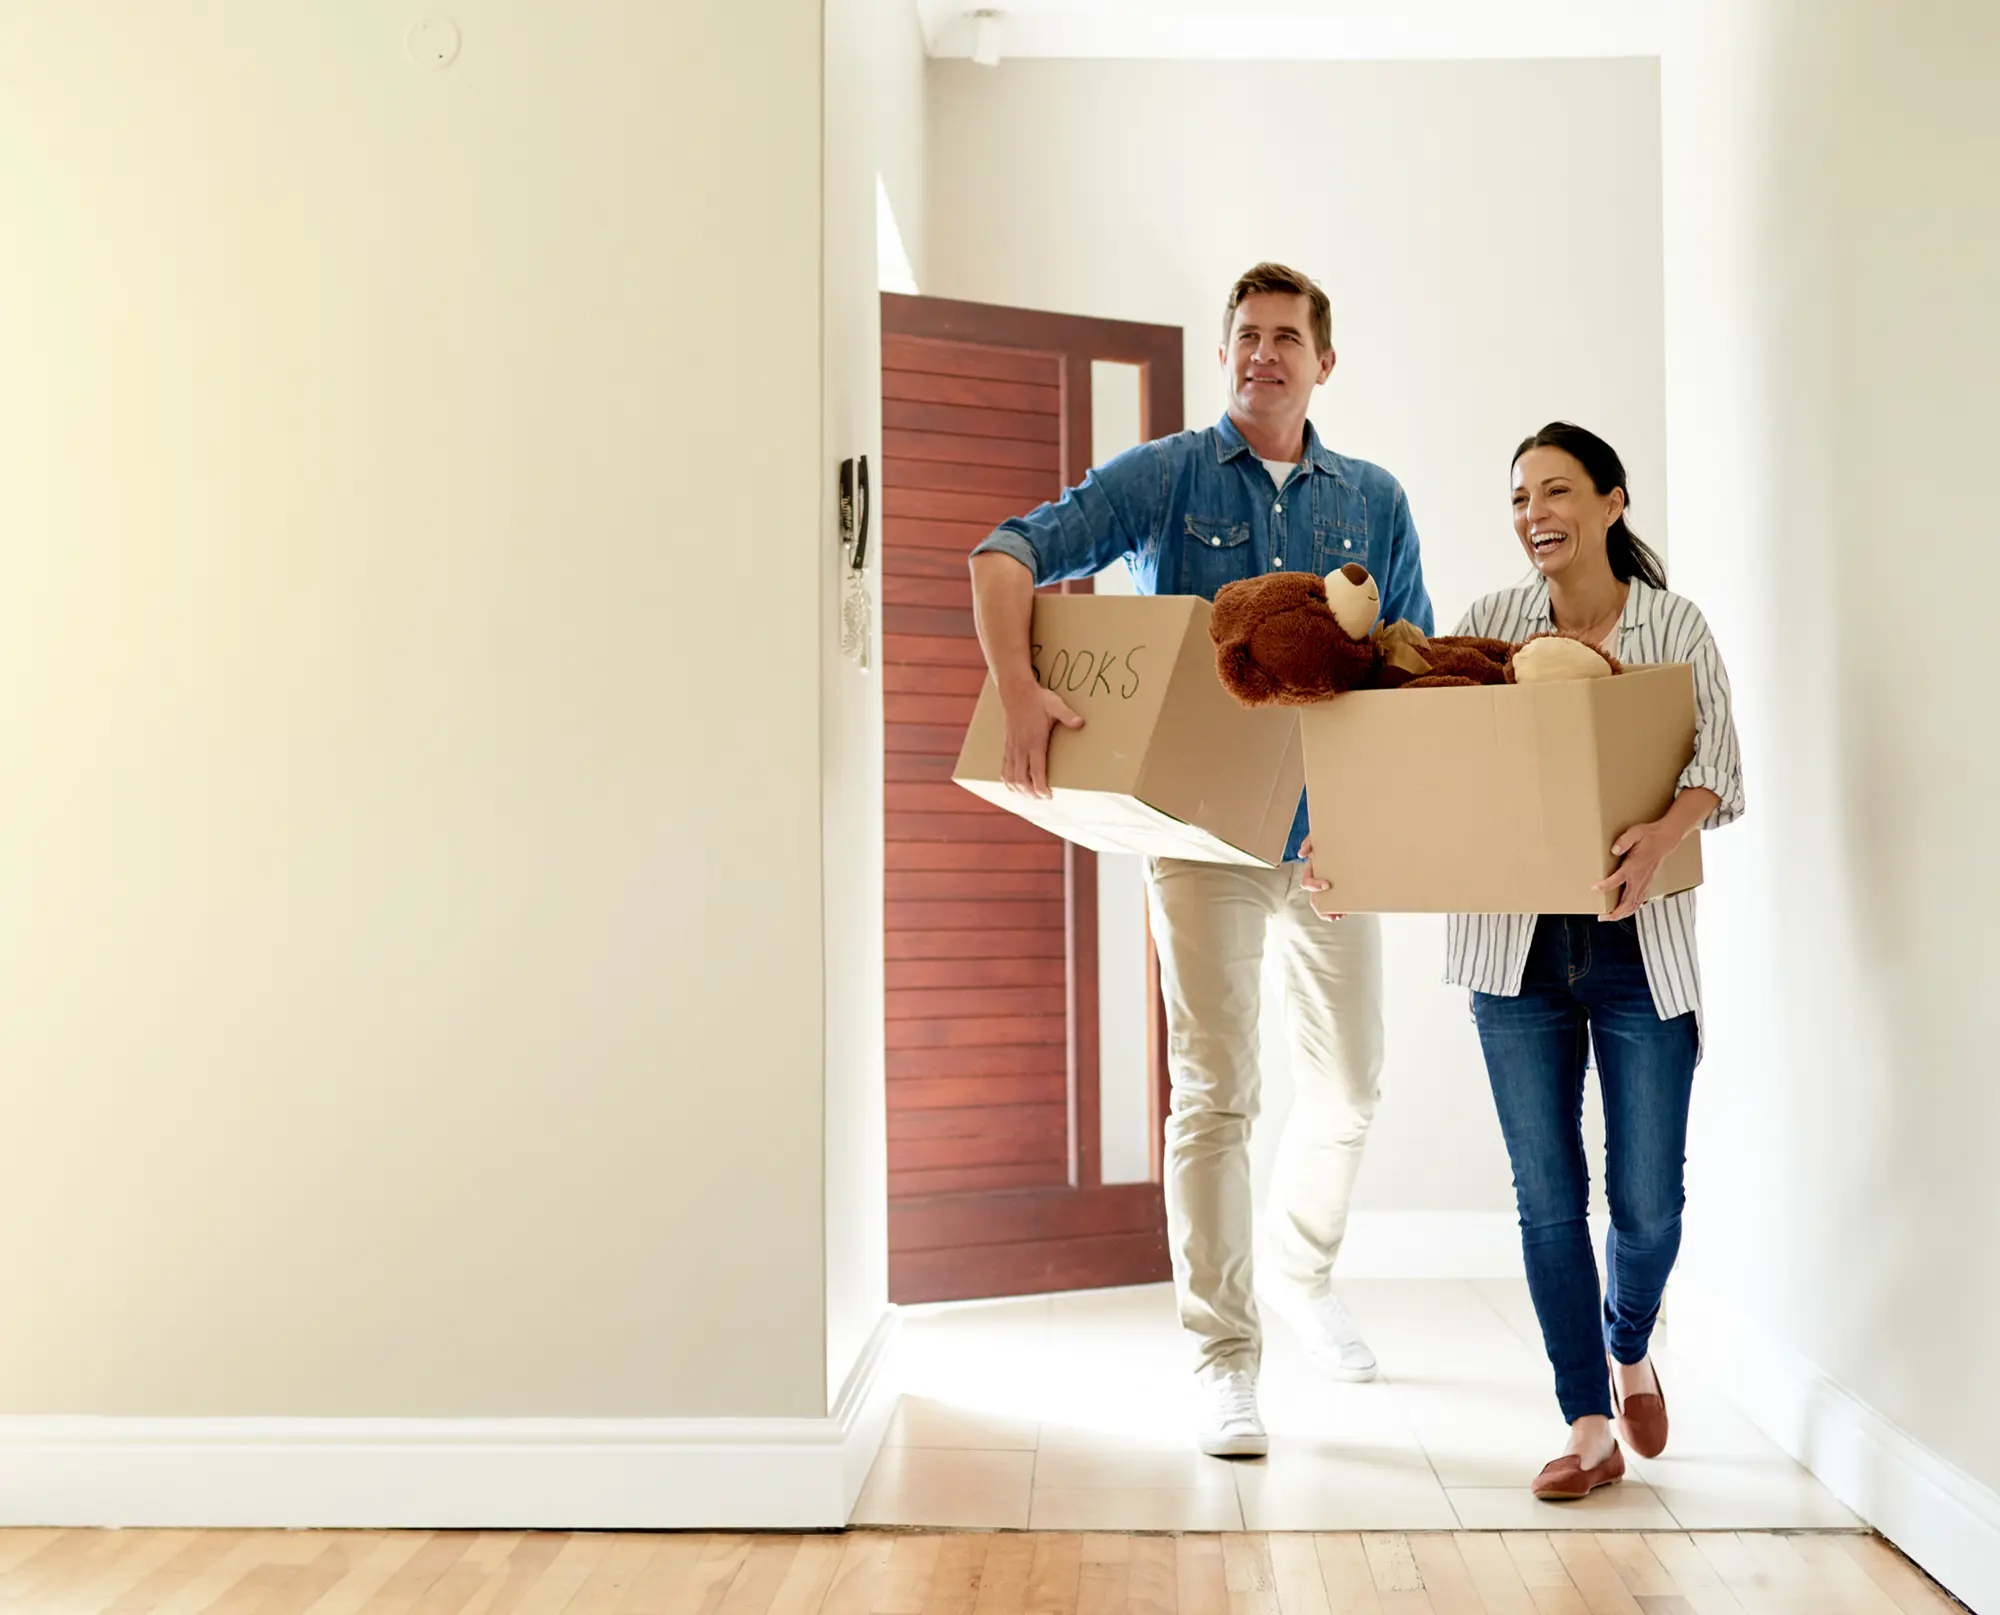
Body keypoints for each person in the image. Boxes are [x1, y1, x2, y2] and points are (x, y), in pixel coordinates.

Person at [966, 263, 1435, 1457]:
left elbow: (1408, 669)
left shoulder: (1372, 498)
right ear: (1222, 354)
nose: (1261, 354)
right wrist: (1017, 690)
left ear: (1322, 362)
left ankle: (1300, 1271)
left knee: (1349, 1086)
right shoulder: (1166, 475)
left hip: (1330, 837)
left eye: (1285, 338)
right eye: (1244, 336)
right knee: (1217, 1091)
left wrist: (1378, 817)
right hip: (1197, 841)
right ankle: (1224, 1356)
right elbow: (1006, 552)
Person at [1444, 422, 1745, 1500]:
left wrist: (1662, 834)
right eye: (1519, 496)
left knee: (1647, 1201)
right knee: (1543, 1198)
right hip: (1511, 949)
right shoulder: (1483, 628)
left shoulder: (1672, 627)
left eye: (1556, 490)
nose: (1534, 513)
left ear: (1612, 503)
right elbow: (1431, 763)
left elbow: (1721, 766)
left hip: (1636, 951)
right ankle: (1583, 1420)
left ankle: (1628, 1343)